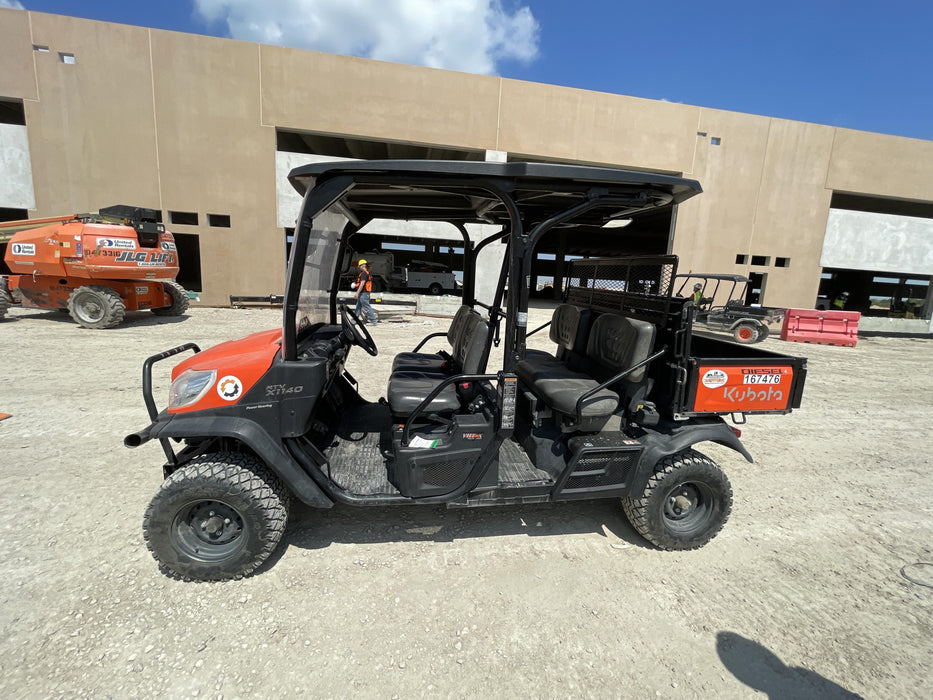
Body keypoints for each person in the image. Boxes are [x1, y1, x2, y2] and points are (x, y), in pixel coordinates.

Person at [353, 259, 378, 324]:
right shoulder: (367, 273)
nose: (359, 268)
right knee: (358, 306)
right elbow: (368, 285)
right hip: (365, 293)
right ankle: (354, 319)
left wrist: (357, 293)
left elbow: (362, 284)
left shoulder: (363, 274)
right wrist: (369, 295)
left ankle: (373, 320)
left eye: (359, 266)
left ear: (362, 266)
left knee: (367, 306)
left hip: (363, 293)